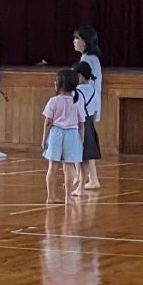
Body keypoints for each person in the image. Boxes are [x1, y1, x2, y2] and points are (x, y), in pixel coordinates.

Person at [41, 69, 85, 203]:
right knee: (69, 167)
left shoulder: (53, 101)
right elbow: (81, 124)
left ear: (58, 85)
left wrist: (44, 139)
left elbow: (48, 122)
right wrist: (81, 142)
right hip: (72, 134)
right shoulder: (77, 101)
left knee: (52, 167)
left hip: (56, 133)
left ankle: (50, 196)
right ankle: (68, 197)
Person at [72, 27, 105, 190]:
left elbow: (87, 86)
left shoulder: (87, 60)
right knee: (86, 143)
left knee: (84, 143)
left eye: (77, 39)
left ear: (85, 41)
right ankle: (88, 178)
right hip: (89, 107)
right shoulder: (91, 58)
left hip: (84, 109)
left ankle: (87, 178)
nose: (74, 42)